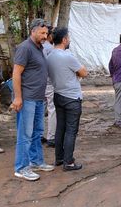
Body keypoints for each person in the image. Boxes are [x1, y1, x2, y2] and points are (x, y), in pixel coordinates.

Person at [11, 18, 55, 181]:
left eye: (46, 33)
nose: (45, 36)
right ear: (33, 31)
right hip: (27, 98)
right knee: (25, 134)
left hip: (38, 98)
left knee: (37, 132)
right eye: (42, 33)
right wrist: (18, 97)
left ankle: (36, 161)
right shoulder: (25, 48)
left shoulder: (40, 48)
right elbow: (16, 74)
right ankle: (21, 167)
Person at [47, 27, 87, 171]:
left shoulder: (49, 56)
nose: (69, 40)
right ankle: (68, 162)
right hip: (71, 97)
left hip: (58, 95)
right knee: (71, 130)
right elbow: (83, 72)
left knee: (60, 128)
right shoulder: (67, 56)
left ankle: (59, 158)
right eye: (68, 38)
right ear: (64, 40)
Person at [42, 26, 56, 147]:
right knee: (52, 109)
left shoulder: (38, 47)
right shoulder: (50, 49)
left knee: (40, 109)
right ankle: (51, 137)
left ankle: (39, 134)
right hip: (49, 83)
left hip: (39, 83)